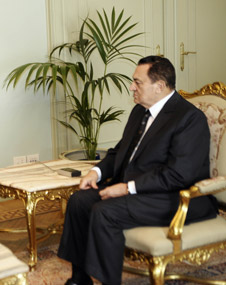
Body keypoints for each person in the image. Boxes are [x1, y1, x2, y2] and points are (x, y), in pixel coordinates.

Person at [57, 56, 218, 285]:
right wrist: (96, 173)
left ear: (159, 86)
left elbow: (179, 174)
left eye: (137, 82)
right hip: (142, 190)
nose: (131, 87)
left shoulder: (189, 118)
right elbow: (118, 152)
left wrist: (127, 188)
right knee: (79, 201)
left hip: (176, 197)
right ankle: (80, 279)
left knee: (105, 212)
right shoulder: (140, 112)